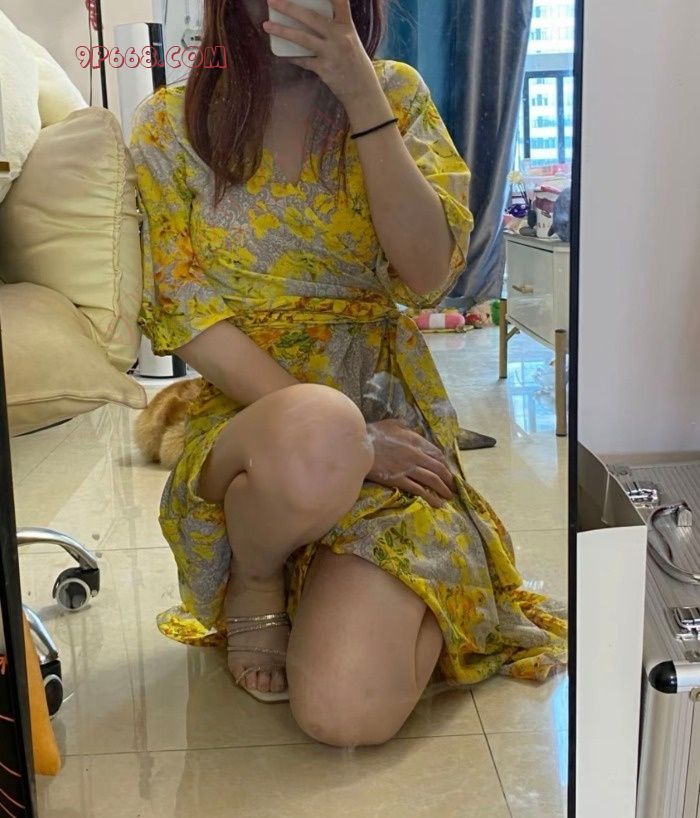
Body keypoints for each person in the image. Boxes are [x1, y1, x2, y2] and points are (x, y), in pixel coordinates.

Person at [130, 0, 566, 748]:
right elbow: (187, 313)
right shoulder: (169, 124)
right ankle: (259, 575)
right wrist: (351, 437)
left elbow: (428, 277)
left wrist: (362, 95)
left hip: (385, 402)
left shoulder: (394, 93)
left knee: (343, 714)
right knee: (319, 426)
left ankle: (358, 593)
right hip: (252, 427)